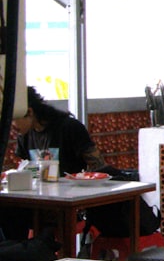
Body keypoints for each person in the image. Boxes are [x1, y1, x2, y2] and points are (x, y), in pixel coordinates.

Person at [5, 86, 107, 241]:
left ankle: (25, 256)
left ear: (30, 112)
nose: (11, 124)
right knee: (6, 211)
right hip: (37, 203)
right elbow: (24, 170)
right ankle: (18, 257)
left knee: (12, 214)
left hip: (68, 205)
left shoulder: (69, 127)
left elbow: (98, 166)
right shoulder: (24, 136)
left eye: (13, 118)